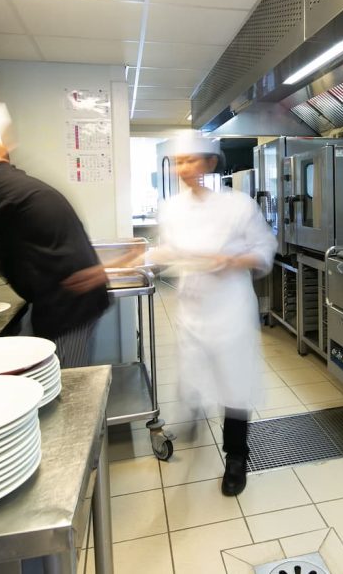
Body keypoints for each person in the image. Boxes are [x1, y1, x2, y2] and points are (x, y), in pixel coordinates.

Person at [0, 103, 110, 367]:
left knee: (65, 379)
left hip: (68, 306)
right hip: (72, 300)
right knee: (54, 371)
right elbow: (10, 239)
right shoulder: (11, 183)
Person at [150, 135, 277, 496]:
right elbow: (170, 249)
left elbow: (265, 247)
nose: (184, 168)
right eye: (179, 161)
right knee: (192, 370)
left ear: (209, 162)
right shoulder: (171, 208)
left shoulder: (237, 205)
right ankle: (191, 416)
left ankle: (236, 457)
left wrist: (233, 260)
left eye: (192, 160)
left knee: (234, 384)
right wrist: (142, 258)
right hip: (193, 308)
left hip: (230, 309)